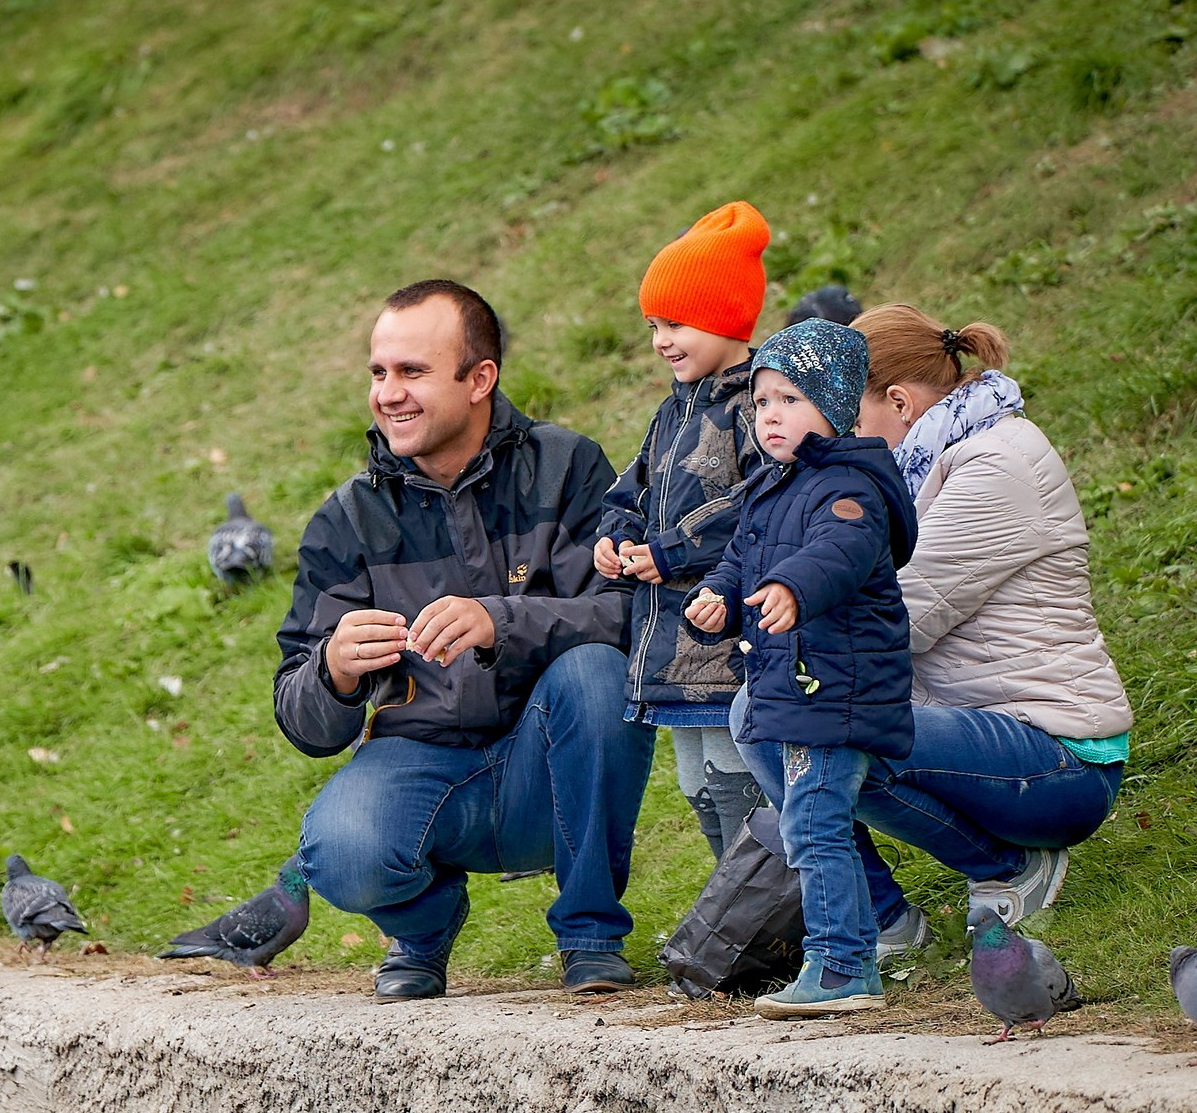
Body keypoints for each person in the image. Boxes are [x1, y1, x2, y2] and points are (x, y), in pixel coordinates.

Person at [277, 280, 646, 1001]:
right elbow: (299, 718)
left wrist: (500, 618)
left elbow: (631, 614)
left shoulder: (567, 466)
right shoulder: (345, 521)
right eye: (379, 372)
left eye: (412, 371)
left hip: (551, 765)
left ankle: (591, 933)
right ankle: (423, 928)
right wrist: (332, 671)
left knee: (600, 672)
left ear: (480, 379)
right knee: (339, 849)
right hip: (422, 768)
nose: (388, 393)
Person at [834, 305, 1132, 922]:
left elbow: (899, 619)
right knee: (762, 713)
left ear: (899, 401)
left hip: (1056, 755)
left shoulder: (998, 462)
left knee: (817, 721)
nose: (847, 437)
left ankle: (1007, 867)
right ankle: (881, 921)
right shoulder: (915, 470)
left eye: (854, 417)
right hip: (980, 732)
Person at [686, 319, 916, 1018]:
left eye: (789, 398)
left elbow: (837, 553)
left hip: (835, 689)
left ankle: (844, 964)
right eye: (761, 403)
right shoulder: (773, 485)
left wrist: (791, 588)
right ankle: (847, 953)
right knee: (813, 826)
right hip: (794, 687)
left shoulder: (849, 487)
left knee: (816, 828)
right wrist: (721, 596)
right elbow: (740, 557)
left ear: (836, 405)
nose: (770, 415)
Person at [592, 201, 773, 864]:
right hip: (669, 641)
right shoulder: (672, 410)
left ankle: (760, 915)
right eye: (654, 325)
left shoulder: (758, 404)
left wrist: (670, 549)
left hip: (728, 636)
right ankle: (734, 905)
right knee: (696, 784)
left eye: (678, 323)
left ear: (727, 316)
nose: (662, 339)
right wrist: (616, 533)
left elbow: (758, 502)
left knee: (736, 778)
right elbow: (630, 490)